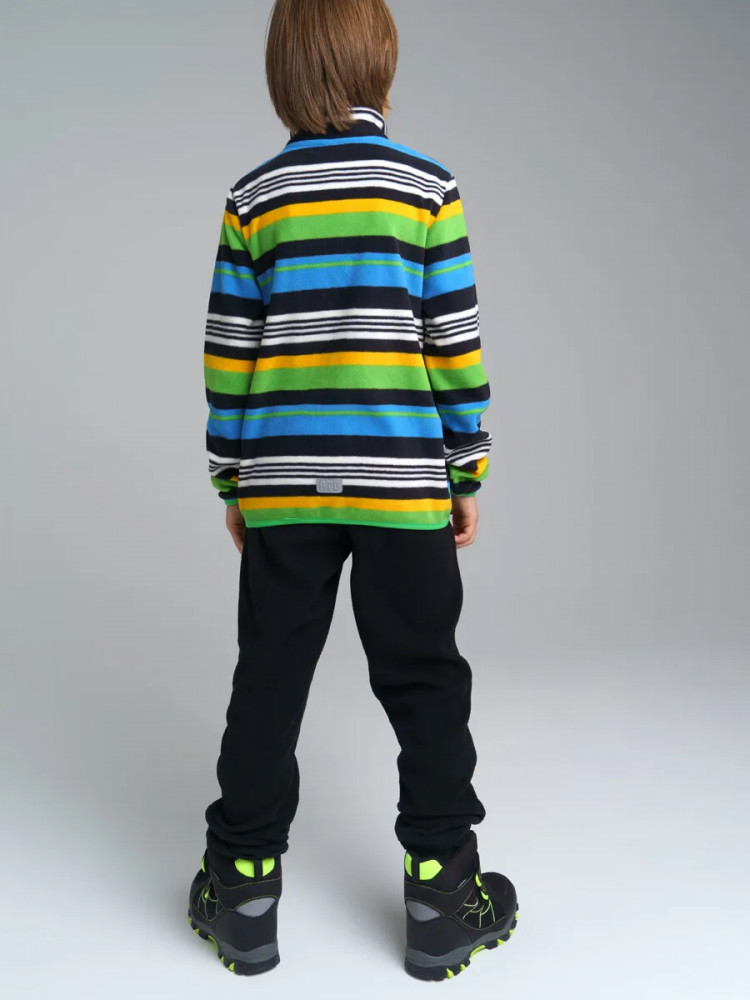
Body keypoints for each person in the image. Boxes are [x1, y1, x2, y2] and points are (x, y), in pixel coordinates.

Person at [188, 0, 518, 981]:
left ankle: (243, 893)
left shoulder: (255, 197)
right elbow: (452, 343)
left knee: (270, 675)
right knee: (424, 678)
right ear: (382, 62)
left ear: (283, 71)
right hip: (401, 484)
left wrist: (233, 477)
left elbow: (229, 353)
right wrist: (465, 467)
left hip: (285, 482)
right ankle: (442, 896)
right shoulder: (426, 189)